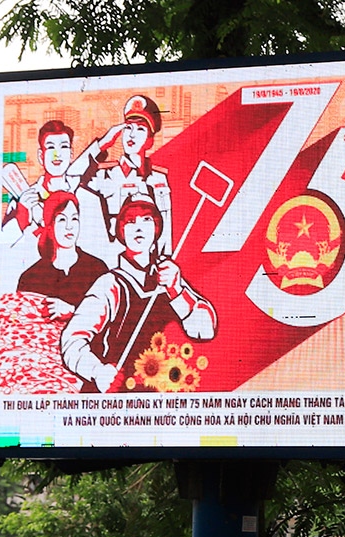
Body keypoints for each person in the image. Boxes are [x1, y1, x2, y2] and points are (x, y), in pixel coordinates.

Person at [61, 198, 216, 393]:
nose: (139, 228)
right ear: (121, 231)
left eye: (146, 220)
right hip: (116, 394)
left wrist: (177, 290)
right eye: (131, 222)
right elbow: (71, 339)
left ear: (157, 228)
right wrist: (97, 371)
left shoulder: (170, 278)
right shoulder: (111, 283)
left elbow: (205, 330)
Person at [79, 94, 173, 257]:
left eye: (140, 129)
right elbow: (70, 181)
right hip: (116, 265)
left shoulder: (159, 178)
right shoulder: (104, 174)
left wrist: (165, 259)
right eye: (128, 127)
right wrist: (101, 145)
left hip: (152, 267)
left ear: (150, 140)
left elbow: (166, 228)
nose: (132, 135)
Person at [16, 191, 108, 318]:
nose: (69, 227)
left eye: (74, 219)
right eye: (62, 219)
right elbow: (21, 323)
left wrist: (73, 312)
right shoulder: (31, 277)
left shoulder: (97, 268)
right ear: (49, 225)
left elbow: (109, 317)